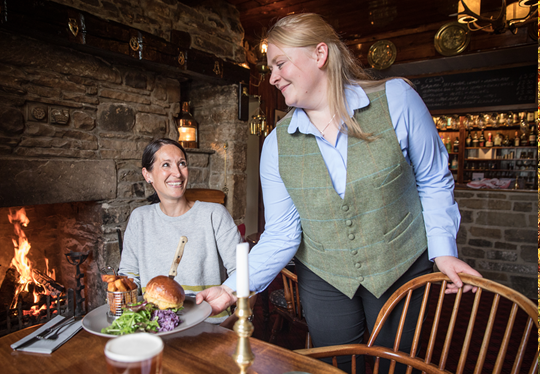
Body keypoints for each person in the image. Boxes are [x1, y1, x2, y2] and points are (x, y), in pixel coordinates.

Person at [196, 12, 481, 350]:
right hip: (323, 276)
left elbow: (433, 181)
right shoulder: (275, 144)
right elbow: (282, 233)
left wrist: (443, 251)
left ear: (319, 54)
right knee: (333, 371)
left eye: (279, 64)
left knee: (400, 372)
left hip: (401, 266)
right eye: (270, 68)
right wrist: (230, 288)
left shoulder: (398, 101)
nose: (272, 78)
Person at [122, 138, 239, 319]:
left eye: (182, 164)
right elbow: (129, 279)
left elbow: (243, 274)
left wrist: (232, 323)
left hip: (208, 325)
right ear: (148, 175)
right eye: (166, 165)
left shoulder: (214, 214)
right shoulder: (139, 218)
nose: (177, 173)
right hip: (155, 328)